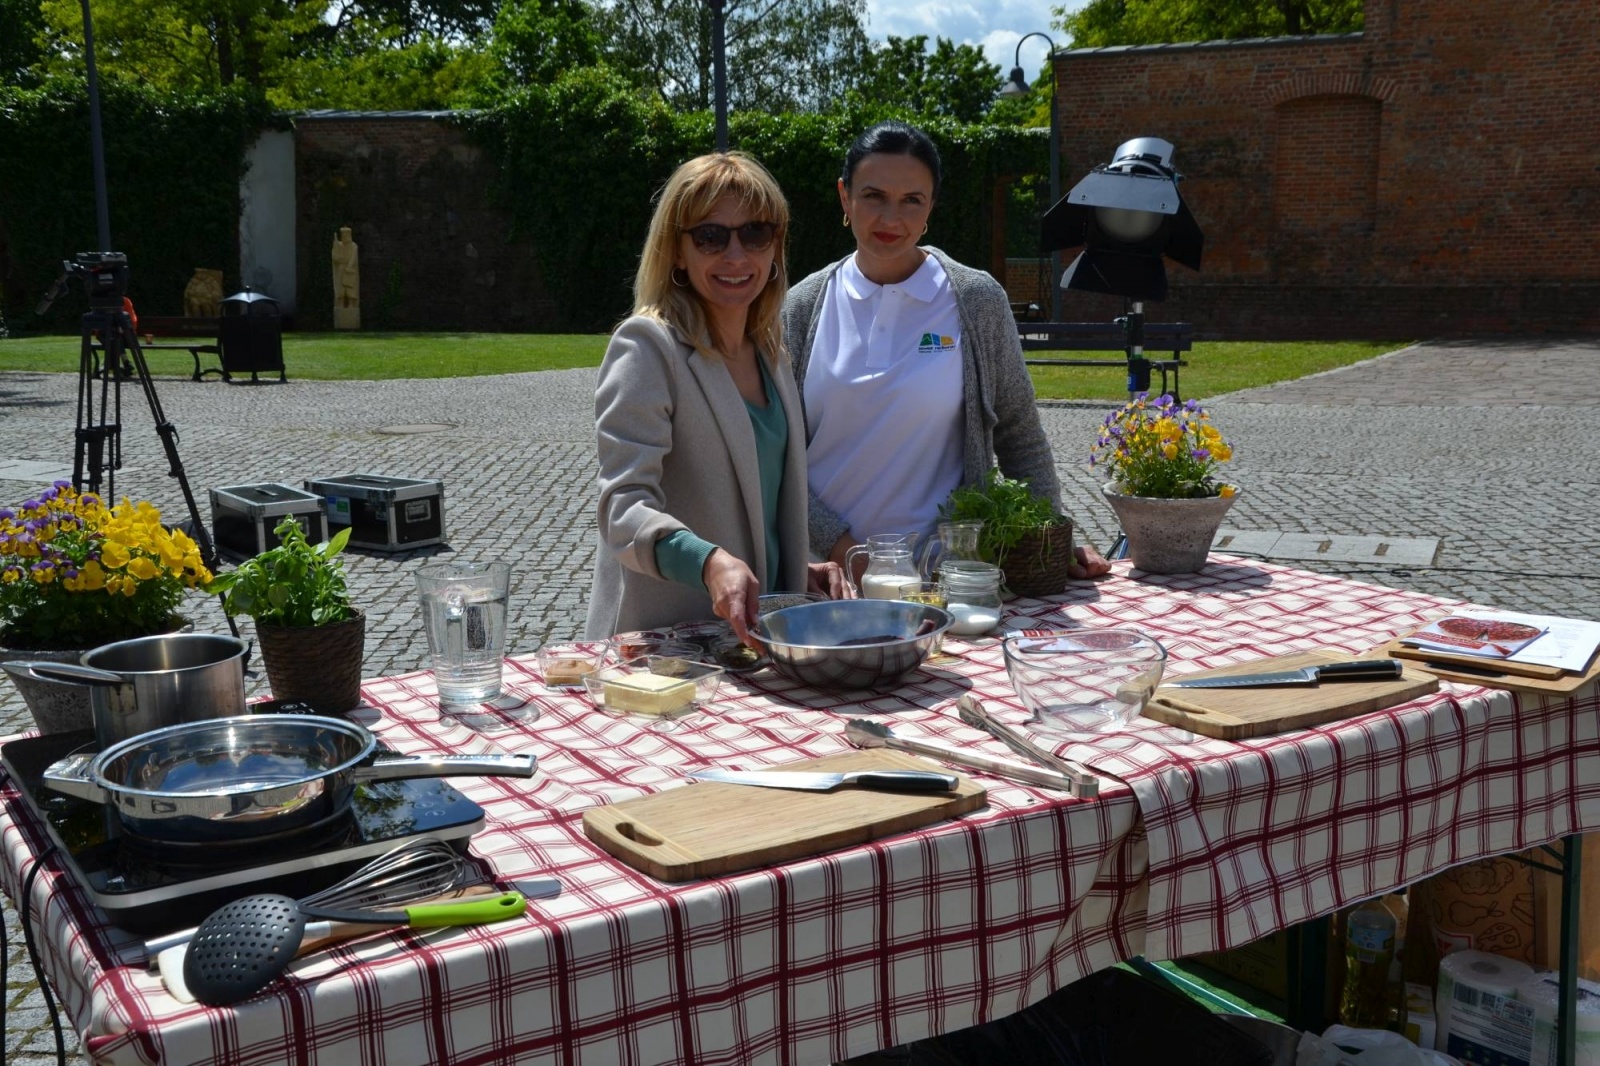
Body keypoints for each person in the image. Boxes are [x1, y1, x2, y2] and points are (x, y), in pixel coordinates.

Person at [781, 120, 1112, 583]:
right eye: (873, 196)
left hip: (947, 577)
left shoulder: (975, 300)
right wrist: (849, 553)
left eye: (911, 200)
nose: (891, 219)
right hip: (824, 577)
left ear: (932, 205)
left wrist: (1047, 535)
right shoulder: (800, 307)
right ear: (845, 197)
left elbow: (1020, 437)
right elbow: (775, 456)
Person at [585, 152, 847, 647]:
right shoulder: (647, 347)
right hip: (666, 649)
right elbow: (623, 509)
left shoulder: (771, 355)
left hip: (754, 642)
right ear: (677, 251)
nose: (735, 255)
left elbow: (760, 506)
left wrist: (794, 571)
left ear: (775, 248)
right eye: (710, 236)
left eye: (755, 234)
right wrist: (708, 563)